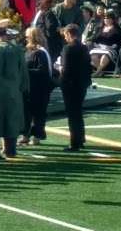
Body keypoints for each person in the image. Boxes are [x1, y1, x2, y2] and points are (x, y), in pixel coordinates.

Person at [0, 19, 28, 158]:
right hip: (13, 91)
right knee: (11, 119)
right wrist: (23, 87)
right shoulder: (16, 49)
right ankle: (10, 149)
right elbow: (23, 71)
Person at [58, 24, 91, 152]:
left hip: (70, 85)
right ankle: (80, 139)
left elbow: (65, 70)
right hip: (81, 84)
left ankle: (74, 142)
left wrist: (60, 74)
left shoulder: (68, 49)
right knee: (78, 112)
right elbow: (88, 66)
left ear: (69, 34)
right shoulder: (84, 48)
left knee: (72, 114)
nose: (65, 38)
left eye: (66, 35)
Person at [21, 27, 55, 146]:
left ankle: (36, 136)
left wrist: (25, 71)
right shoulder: (28, 50)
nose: (25, 38)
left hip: (39, 88)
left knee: (38, 114)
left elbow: (42, 70)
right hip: (29, 87)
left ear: (32, 37)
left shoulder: (41, 52)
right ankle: (25, 135)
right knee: (26, 113)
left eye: (27, 36)